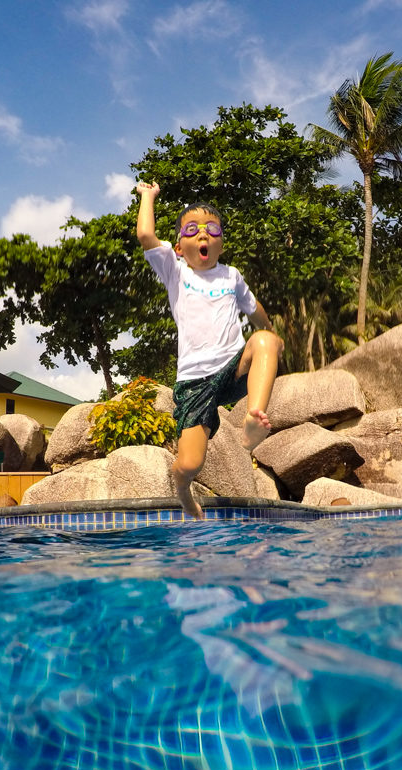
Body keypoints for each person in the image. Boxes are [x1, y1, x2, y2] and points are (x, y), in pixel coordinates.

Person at [135, 181, 283, 519]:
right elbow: (145, 235)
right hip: (194, 382)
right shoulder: (175, 271)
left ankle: (252, 419)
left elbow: (254, 307)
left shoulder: (231, 276)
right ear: (177, 246)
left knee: (263, 342)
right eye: (192, 229)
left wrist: (271, 331)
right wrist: (148, 196)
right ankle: (183, 487)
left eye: (211, 229)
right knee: (190, 463)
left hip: (232, 367)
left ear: (220, 242)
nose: (203, 235)